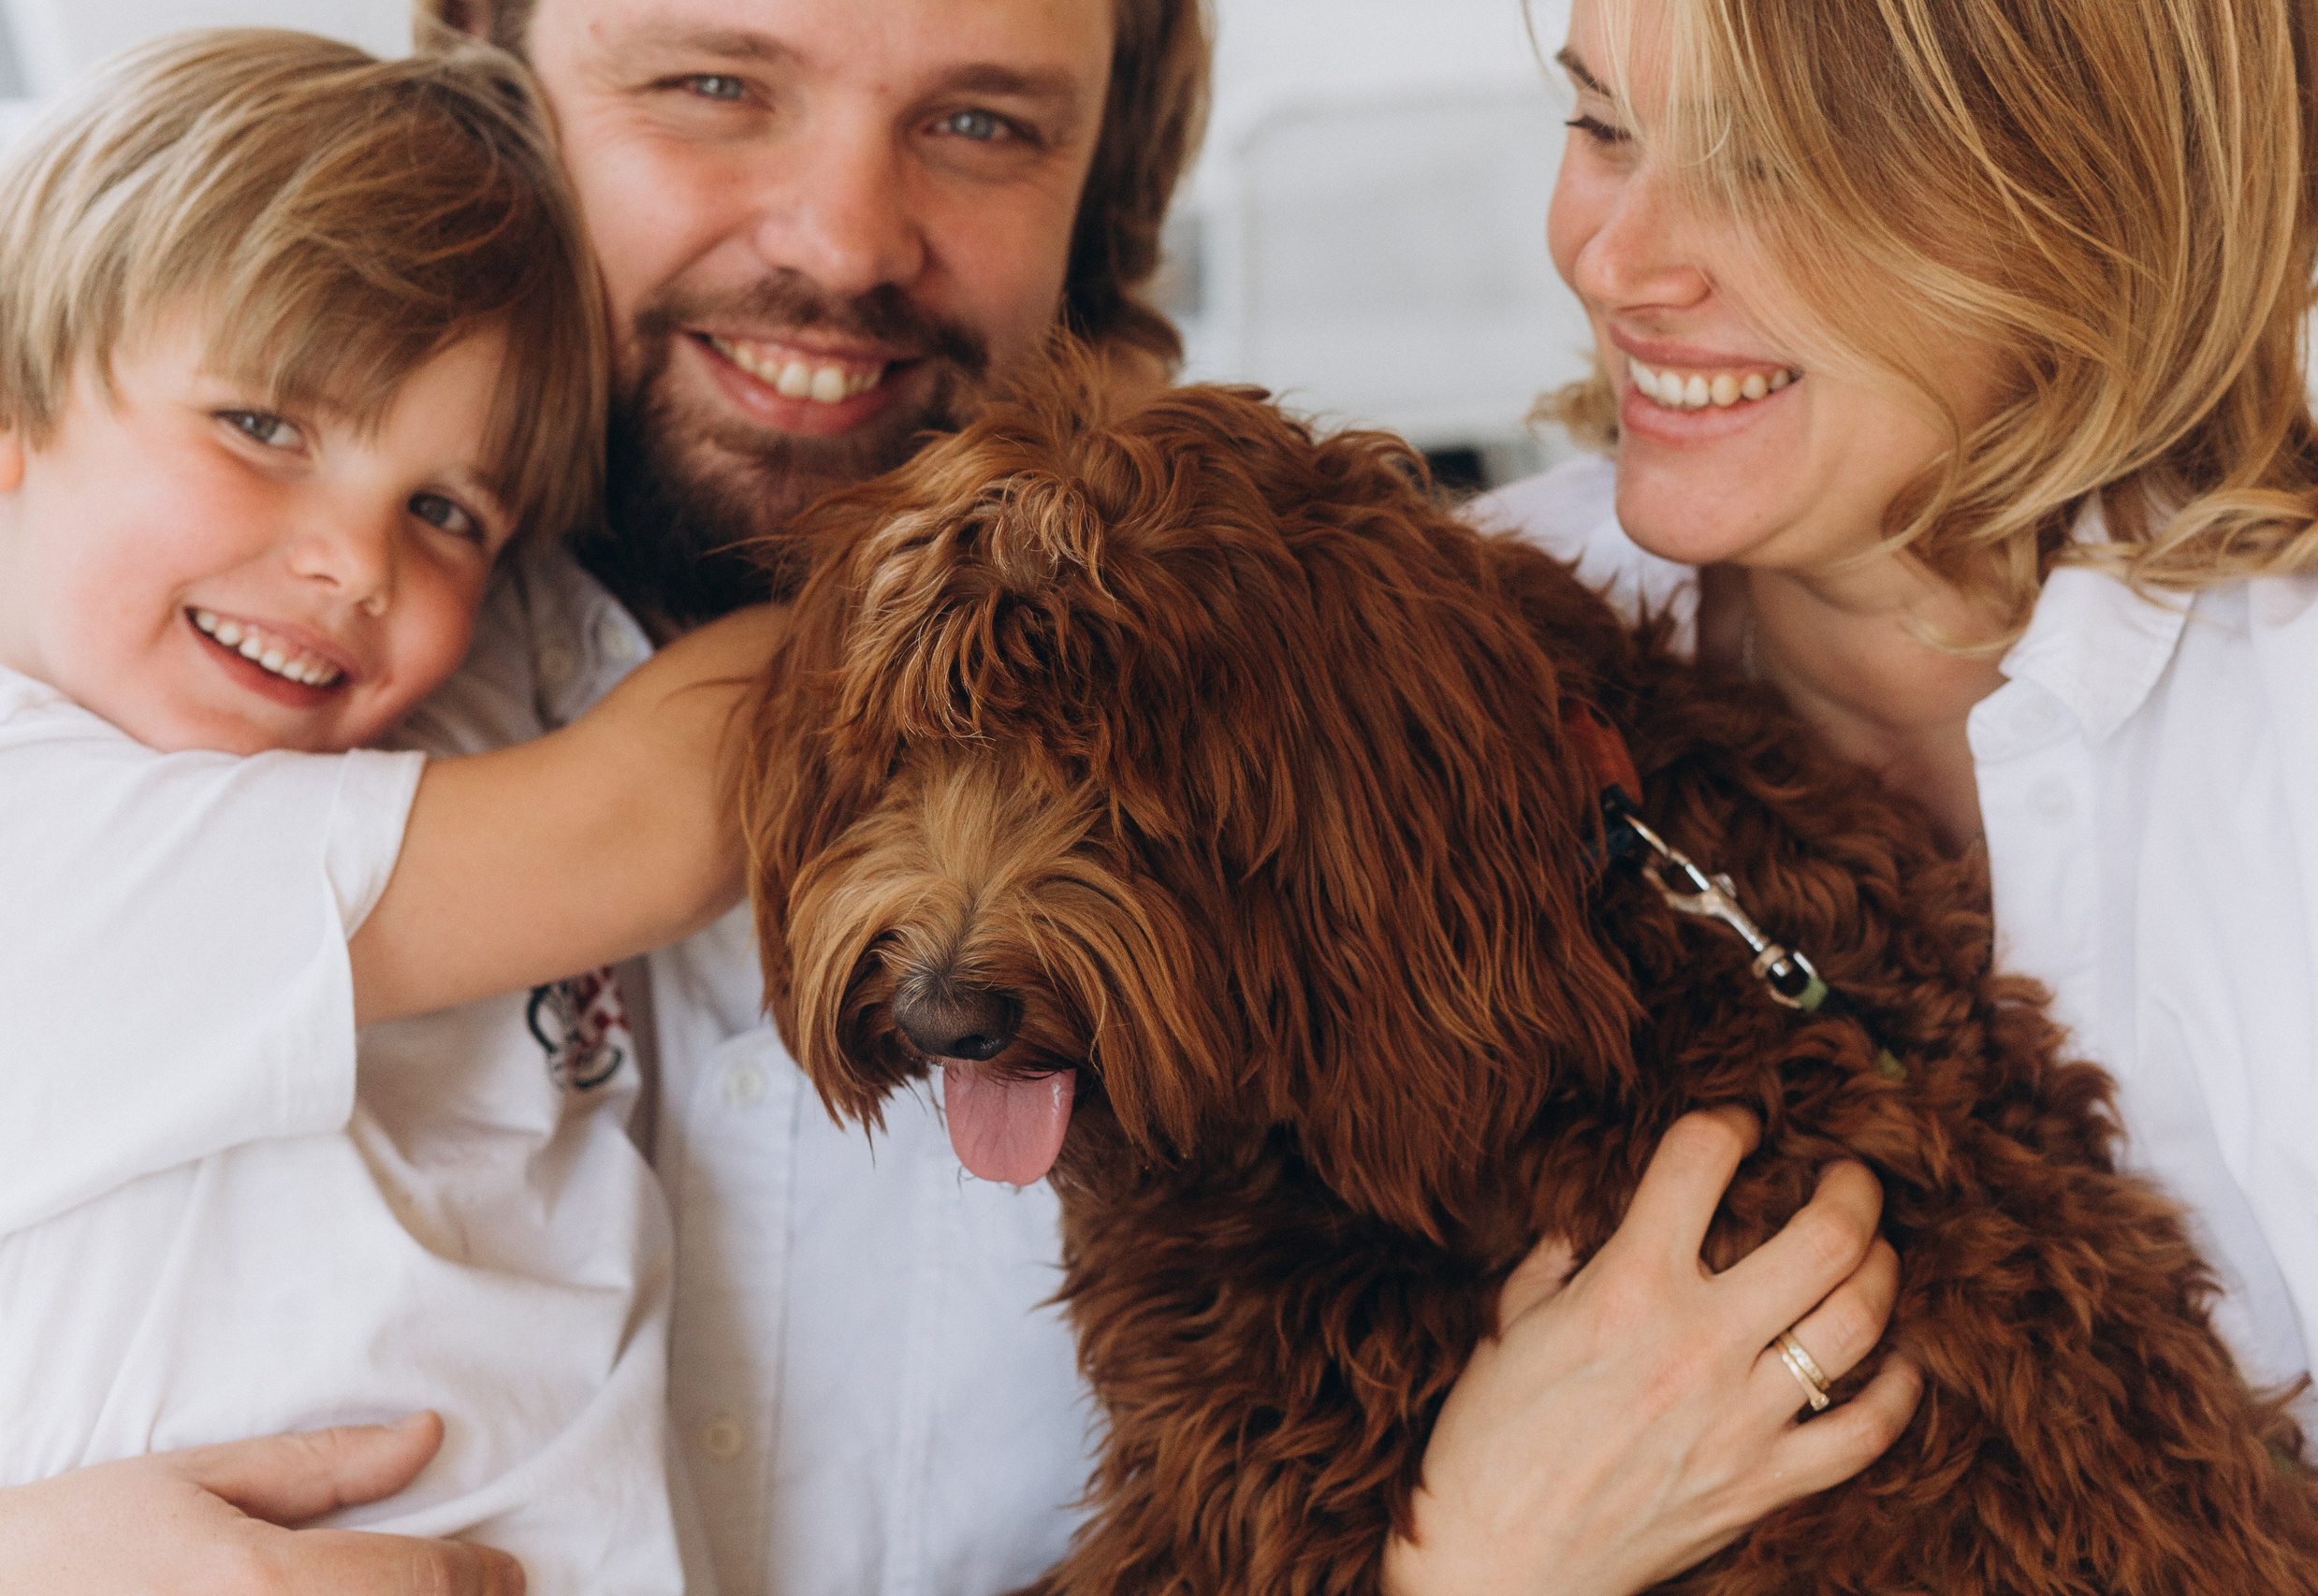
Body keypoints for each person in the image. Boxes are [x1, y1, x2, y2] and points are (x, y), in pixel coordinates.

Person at [0, 4, 1916, 1594]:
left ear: (1106, 191)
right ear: (499, 82)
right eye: (713, 85)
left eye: (982, 123)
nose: (841, 240)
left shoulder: (1348, 763)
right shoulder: (248, 700)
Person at [1480, 0, 2318, 1541]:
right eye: (1604, 127)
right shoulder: (1434, 678)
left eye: (1769, 166)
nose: (1613, 260)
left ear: (2084, 193)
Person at [0, 29, 787, 1592]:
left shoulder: (405, 688)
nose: (357, 565)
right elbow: (666, 816)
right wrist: (972, 534)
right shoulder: (50, 829)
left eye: (442, 511)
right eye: (262, 427)